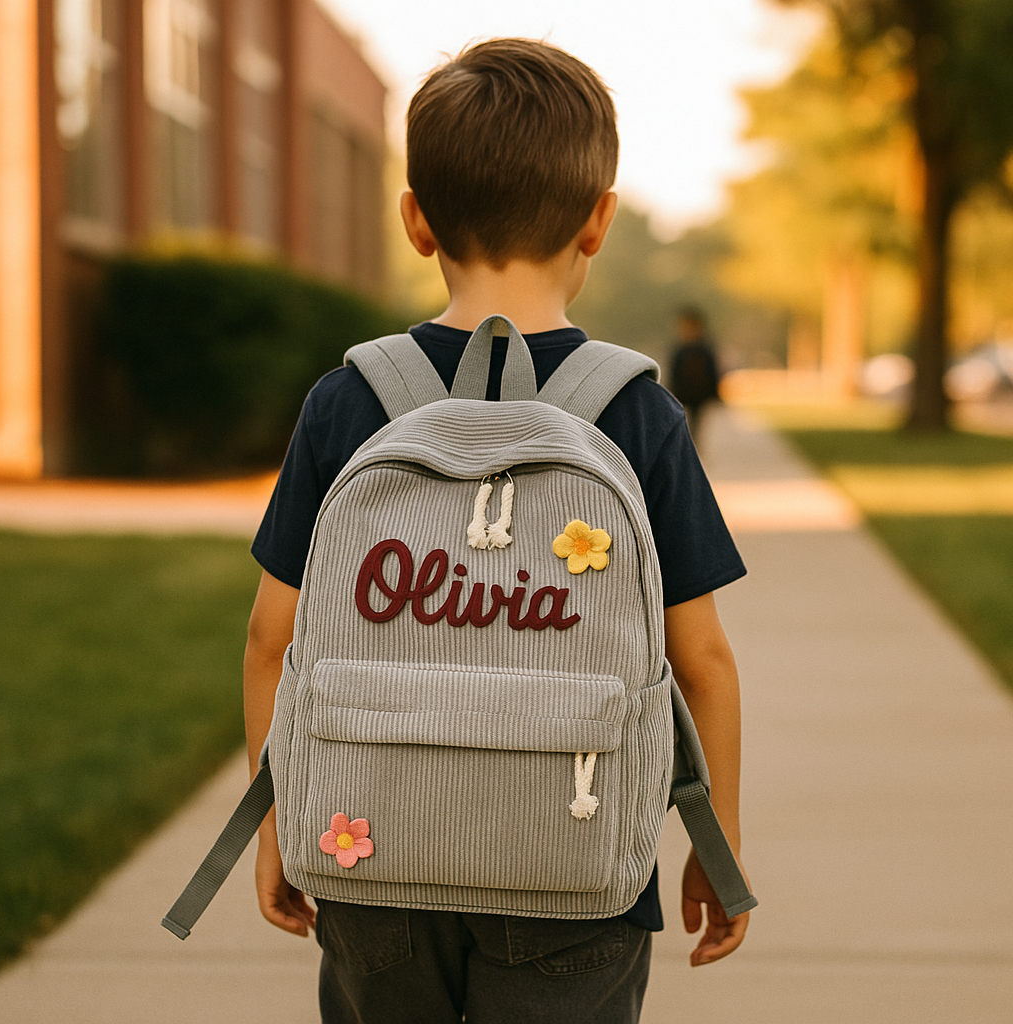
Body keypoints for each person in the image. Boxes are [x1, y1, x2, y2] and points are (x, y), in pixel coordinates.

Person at [243, 38, 750, 1024]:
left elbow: (273, 639)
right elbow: (705, 665)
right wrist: (716, 846)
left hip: (368, 846)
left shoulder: (347, 403)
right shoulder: (638, 416)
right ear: (598, 220)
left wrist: (280, 826)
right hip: (577, 859)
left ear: (414, 219)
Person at [668, 307, 721, 441]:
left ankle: (691, 447)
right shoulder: (680, 349)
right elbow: (674, 373)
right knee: (681, 422)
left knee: (695, 424)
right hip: (683, 393)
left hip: (699, 394)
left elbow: (712, 371)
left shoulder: (704, 348)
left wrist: (714, 392)